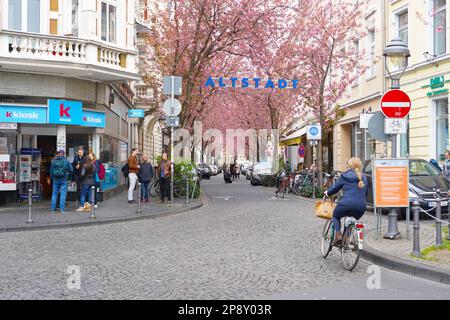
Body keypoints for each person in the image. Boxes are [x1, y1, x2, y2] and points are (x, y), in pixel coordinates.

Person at [324, 157, 368, 246]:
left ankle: (337, 236)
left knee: (336, 216)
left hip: (346, 204)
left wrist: (327, 193)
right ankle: (346, 239)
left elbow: (335, 188)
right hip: (361, 206)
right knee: (351, 219)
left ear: (349, 165)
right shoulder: (364, 178)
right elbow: (365, 193)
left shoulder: (345, 176)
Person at [50, 149, 73, 214]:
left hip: (55, 179)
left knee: (54, 194)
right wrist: (69, 177)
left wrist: (52, 178)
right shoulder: (66, 161)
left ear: (58, 154)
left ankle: (53, 209)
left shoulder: (53, 161)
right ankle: (62, 209)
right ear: (64, 154)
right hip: (64, 179)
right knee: (63, 194)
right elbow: (71, 170)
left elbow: (51, 171)